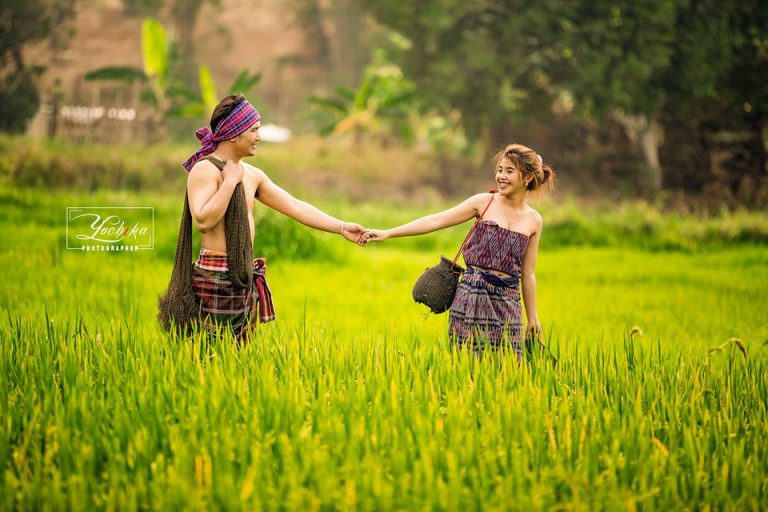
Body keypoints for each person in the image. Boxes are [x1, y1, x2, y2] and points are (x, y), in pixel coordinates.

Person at [159, 94, 366, 339]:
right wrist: (230, 182)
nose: (259, 137)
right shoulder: (205, 170)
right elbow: (203, 220)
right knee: (207, 354)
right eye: (254, 130)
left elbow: (294, 205)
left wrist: (341, 227)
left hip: (242, 277)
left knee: (240, 358)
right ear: (234, 133)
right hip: (213, 278)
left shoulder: (252, 174)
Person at [361, 143, 555, 360]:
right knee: (468, 363)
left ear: (527, 178)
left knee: (510, 364)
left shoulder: (534, 220)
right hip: (472, 297)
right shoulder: (484, 203)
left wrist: (533, 317)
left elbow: (528, 273)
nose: (501, 176)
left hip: (508, 302)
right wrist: (388, 233)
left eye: (509, 171)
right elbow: (436, 220)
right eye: (500, 170)